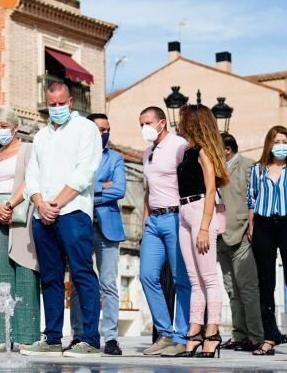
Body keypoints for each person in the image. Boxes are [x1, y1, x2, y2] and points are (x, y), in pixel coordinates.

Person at [20, 82, 102, 358]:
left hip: (74, 212)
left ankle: (89, 339)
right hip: (42, 214)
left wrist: (56, 203)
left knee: (81, 274)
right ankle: (52, 338)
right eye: (51, 105)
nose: (56, 109)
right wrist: (40, 203)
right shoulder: (41, 136)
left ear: (70, 103)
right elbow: (31, 175)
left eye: (60, 104)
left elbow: (85, 171)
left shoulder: (86, 129)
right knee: (50, 277)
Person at [247, 126, 287, 356]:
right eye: (276, 141)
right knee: (266, 284)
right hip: (263, 226)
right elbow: (251, 198)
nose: (280, 145)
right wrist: (252, 226)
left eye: (284, 141)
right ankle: (269, 337)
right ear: (269, 145)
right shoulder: (257, 170)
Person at [67, 113, 127, 356]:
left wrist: (90, 188)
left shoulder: (115, 158)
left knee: (109, 284)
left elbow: (120, 189)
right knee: (78, 283)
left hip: (107, 227)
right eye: (100, 129)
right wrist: (104, 186)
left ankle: (111, 337)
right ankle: (78, 335)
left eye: (107, 129)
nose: (104, 133)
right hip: (78, 223)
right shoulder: (74, 157)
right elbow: (70, 186)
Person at [0, 106, 39, 351]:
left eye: (4, 126)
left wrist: (9, 204)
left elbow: (31, 177)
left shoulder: (27, 149)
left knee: (25, 271)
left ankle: (26, 336)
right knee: (1, 276)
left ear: (15, 128)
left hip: (21, 212)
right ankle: (2, 337)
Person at [175, 104, 229, 357]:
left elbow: (210, 190)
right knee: (194, 280)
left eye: (182, 119)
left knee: (209, 278)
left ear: (194, 122)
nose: (178, 122)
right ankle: (194, 331)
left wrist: (205, 227)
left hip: (200, 212)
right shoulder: (187, 151)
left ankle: (213, 332)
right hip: (184, 213)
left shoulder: (204, 152)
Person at [137, 106, 192, 357]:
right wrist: (145, 220)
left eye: (147, 122)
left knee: (181, 279)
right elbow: (148, 189)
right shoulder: (147, 152)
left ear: (161, 122)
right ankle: (165, 333)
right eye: (141, 124)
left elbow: (189, 180)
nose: (144, 128)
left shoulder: (179, 145)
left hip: (175, 217)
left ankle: (182, 336)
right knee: (147, 275)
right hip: (154, 221)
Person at [217, 133, 263, 352]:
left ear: (227, 149)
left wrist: (252, 227)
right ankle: (239, 335)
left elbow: (258, 198)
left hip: (242, 235)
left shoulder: (249, 166)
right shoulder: (216, 168)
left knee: (247, 289)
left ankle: (256, 337)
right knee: (231, 290)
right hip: (220, 236)